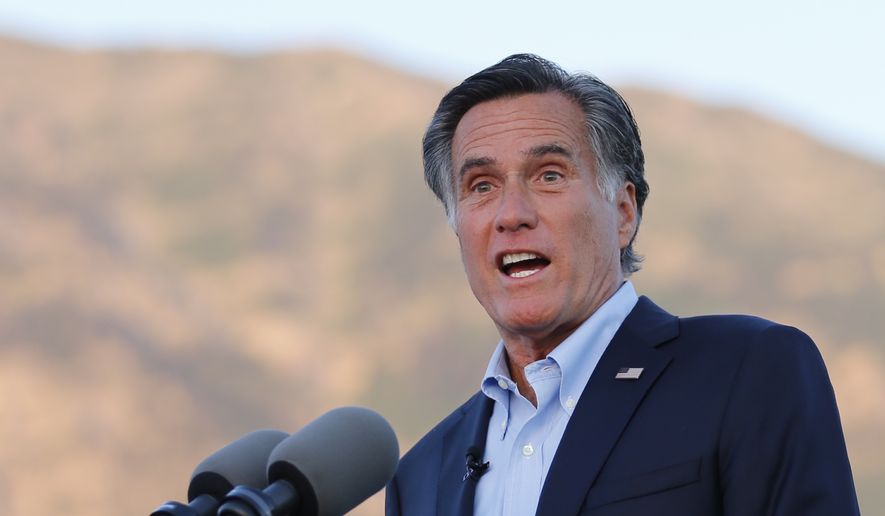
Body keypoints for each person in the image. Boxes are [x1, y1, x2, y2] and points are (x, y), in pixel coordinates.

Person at [385, 54, 859, 516]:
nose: (512, 214)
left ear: (623, 212)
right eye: (482, 186)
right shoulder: (420, 477)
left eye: (549, 175)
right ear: (457, 225)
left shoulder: (748, 371)